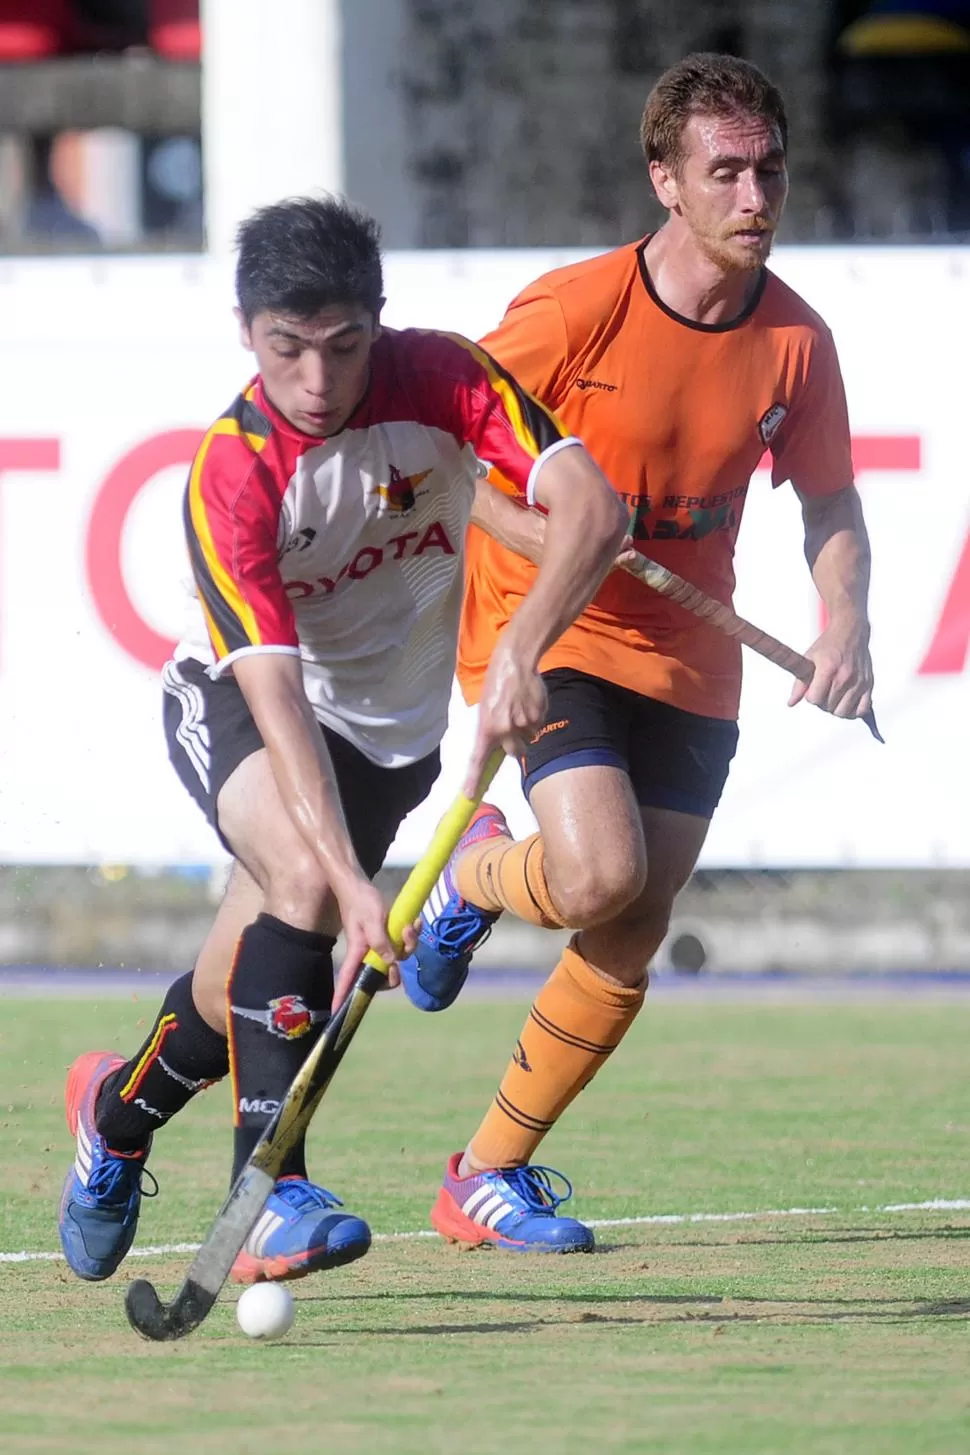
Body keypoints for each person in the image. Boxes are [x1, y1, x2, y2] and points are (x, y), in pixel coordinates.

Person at [57, 195, 629, 1284]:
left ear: (379, 317)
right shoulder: (233, 472)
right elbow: (273, 699)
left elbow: (592, 510)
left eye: (343, 346)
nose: (317, 382)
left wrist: (519, 651)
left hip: (390, 743)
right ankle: (267, 1190)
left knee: (239, 989)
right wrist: (346, 881)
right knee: (307, 893)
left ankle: (114, 1118)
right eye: (287, 350)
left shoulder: (447, 379)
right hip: (242, 703)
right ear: (245, 332)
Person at [397, 52, 875, 1252]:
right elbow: (451, 461)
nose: (755, 197)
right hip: (549, 629)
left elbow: (829, 507)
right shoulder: (574, 310)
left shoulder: (797, 345)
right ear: (664, 180)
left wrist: (844, 625)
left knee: (629, 923)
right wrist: (563, 538)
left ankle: (486, 1174)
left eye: (769, 170)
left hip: (692, 659)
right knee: (602, 873)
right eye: (726, 173)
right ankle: (467, 884)